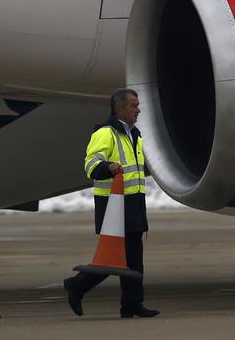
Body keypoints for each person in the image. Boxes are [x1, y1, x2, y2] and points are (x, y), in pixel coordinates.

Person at [63, 88, 160, 319]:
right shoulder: (105, 133)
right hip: (113, 208)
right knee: (116, 260)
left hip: (133, 204)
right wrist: (107, 168)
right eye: (134, 105)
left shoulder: (134, 134)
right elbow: (90, 165)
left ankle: (132, 305)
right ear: (120, 109)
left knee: (134, 259)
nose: (138, 110)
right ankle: (77, 285)